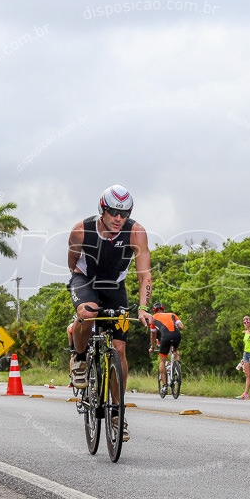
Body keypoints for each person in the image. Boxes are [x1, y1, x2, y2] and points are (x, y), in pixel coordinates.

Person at [68, 184, 152, 442]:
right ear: (102, 210)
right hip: (85, 280)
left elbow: (144, 275)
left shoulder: (135, 232)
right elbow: (73, 266)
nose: (119, 219)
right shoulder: (81, 231)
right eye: (114, 212)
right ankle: (80, 359)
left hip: (116, 286)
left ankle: (118, 412)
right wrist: (82, 296)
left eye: (124, 214)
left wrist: (144, 308)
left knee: (120, 349)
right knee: (89, 312)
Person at [149, 302, 183, 394]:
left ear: (154, 310)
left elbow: (153, 334)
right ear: (163, 309)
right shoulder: (172, 314)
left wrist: (152, 347)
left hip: (165, 337)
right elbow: (181, 327)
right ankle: (177, 367)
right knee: (175, 350)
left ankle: (164, 386)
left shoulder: (153, 318)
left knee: (162, 360)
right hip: (177, 335)